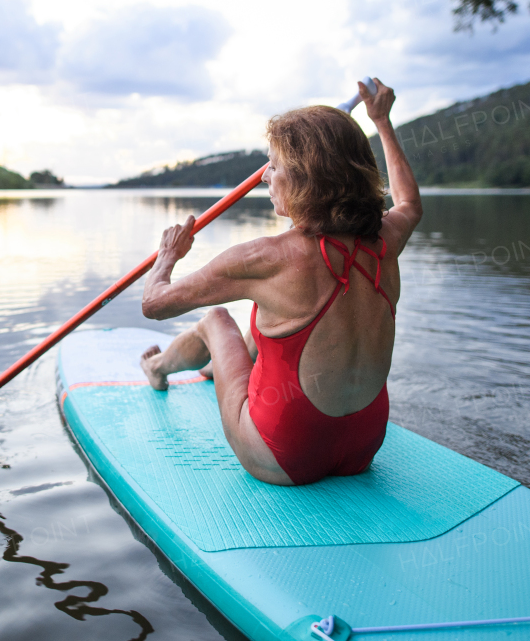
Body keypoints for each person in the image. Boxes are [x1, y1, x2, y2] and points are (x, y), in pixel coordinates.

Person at [139, 79, 422, 485]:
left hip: (283, 456)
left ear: (305, 177)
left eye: (273, 166)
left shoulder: (264, 258)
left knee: (217, 319)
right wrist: (382, 121)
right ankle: (209, 370)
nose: (262, 178)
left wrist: (167, 256)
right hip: (364, 446)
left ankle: (158, 369)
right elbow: (409, 202)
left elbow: (155, 304)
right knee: (270, 319)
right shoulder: (386, 239)